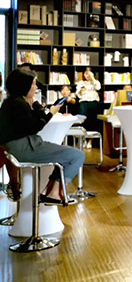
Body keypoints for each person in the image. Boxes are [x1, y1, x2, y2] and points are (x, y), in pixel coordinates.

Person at [0, 69, 85, 204]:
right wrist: (51, 113)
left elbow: (36, 117)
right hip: (25, 148)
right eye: (33, 84)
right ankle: (54, 193)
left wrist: (35, 103)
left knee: (67, 157)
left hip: (20, 146)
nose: (36, 87)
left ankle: (51, 192)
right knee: (77, 156)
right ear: (25, 85)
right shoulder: (19, 104)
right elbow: (35, 127)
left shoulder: (12, 102)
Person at [76, 67, 101, 134]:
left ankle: (91, 138)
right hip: (84, 103)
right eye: (86, 73)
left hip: (93, 103)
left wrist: (93, 78)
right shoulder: (81, 83)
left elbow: (98, 88)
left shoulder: (96, 82)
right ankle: (83, 136)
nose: (88, 75)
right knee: (83, 120)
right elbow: (78, 94)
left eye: (90, 73)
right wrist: (81, 91)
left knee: (93, 120)